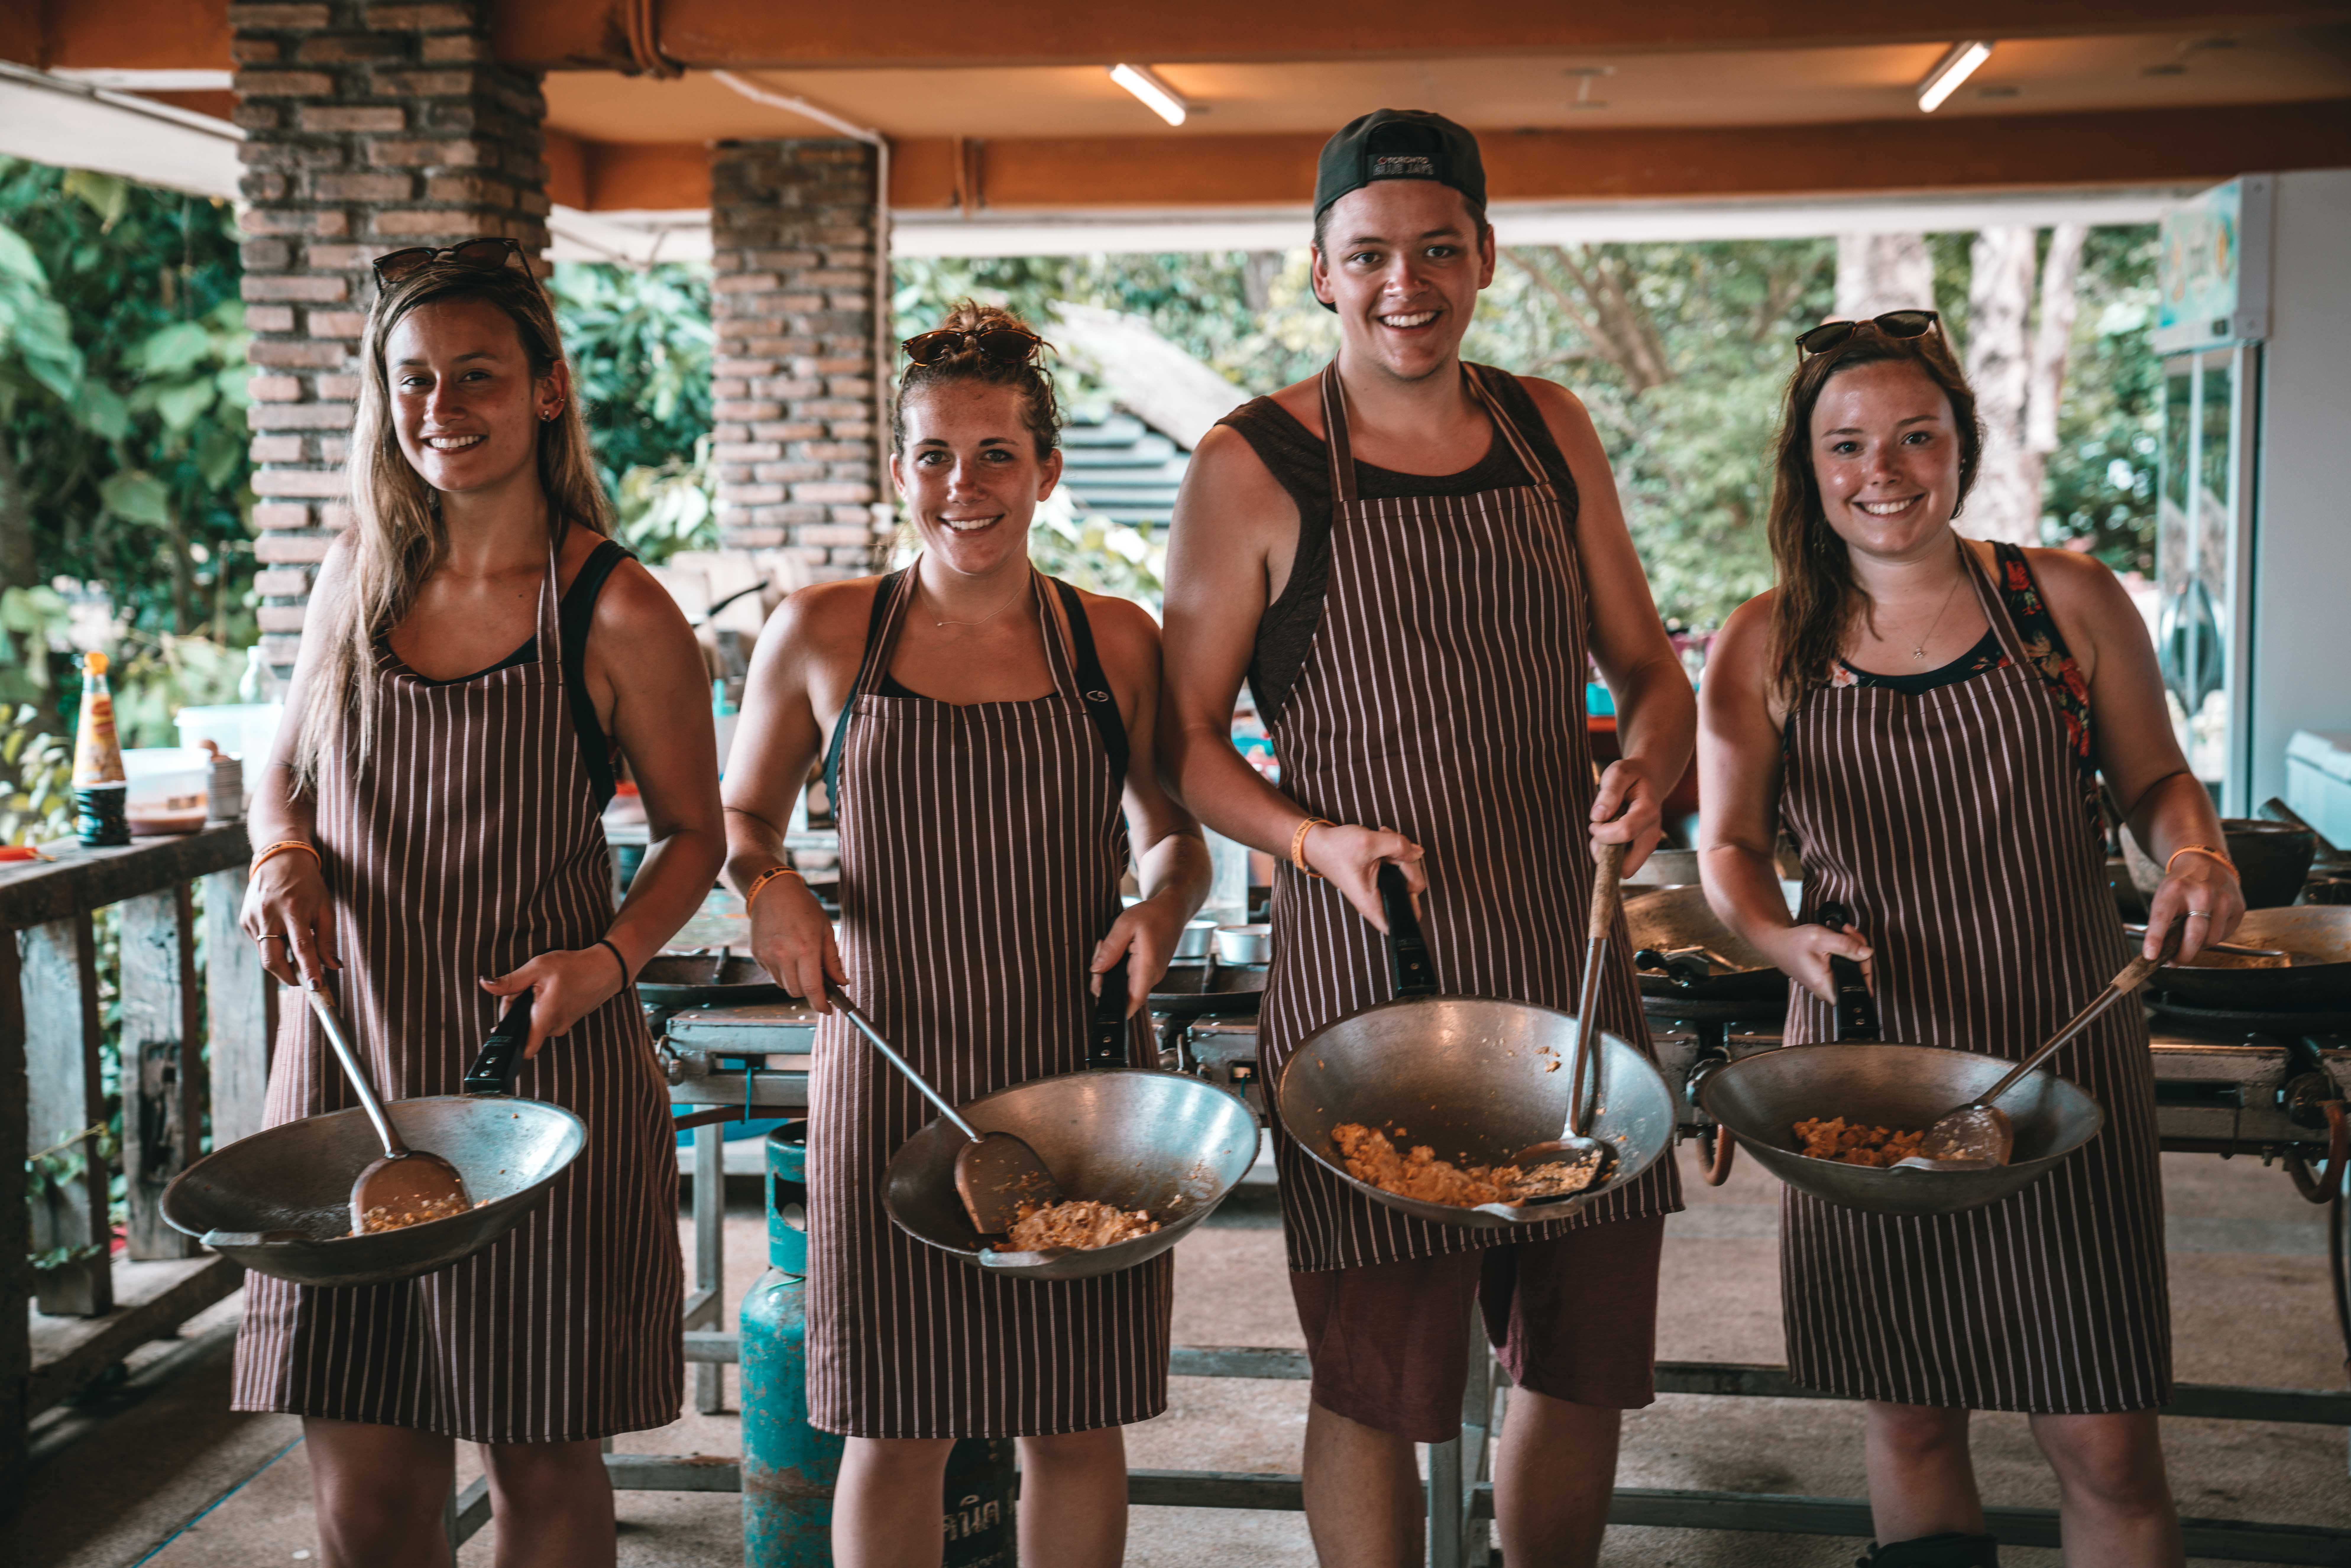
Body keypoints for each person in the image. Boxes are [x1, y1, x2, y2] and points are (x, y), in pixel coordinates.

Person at [1159, 110, 1696, 1567]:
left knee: (1579, 1362)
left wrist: (1649, 763)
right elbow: (1186, 743)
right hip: (1367, 982)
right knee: (1376, 1384)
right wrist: (1307, 836)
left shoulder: (1547, 426)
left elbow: (1649, 667)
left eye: (1438, 250)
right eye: (1371, 255)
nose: (1408, 283)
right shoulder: (1250, 462)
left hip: (1566, 961)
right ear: (1318, 272)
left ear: (1485, 259)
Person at [1696, 311, 2242, 1568]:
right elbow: (1726, 849)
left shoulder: (2062, 602)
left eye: (1912, 438)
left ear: (1961, 447)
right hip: (1862, 1070)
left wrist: (2196, 851)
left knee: (2100, 1430)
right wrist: (1778, 941)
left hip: (2057, 1055)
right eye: (1846, 446)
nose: (1880, 472)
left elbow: (2155, 779)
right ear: (1807, 465)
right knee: (1910, 1411)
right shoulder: (1762, 640)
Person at [233, 238, 725, 1567]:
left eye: (476, 377)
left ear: (548, 391)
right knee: (363, 1473)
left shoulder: (615, 609)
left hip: (537, 1084)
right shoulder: (359, 574)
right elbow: (278, 767)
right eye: (411, 381)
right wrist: (282, 848)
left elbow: (695, 836)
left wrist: (610, 961)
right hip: (351, 1074)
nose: (440, 409)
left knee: (540, 1458)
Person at [723, 302, 1211, 1568]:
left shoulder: (1111, 641)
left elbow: (1174, 836)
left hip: (1083, 1081)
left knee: (1073, 1420)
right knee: (896, 1425)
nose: (964, 484)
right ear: (901, 471)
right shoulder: (825, 633)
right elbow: (736, 818)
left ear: (1046, 469)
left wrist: (1157, 905)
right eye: (935, 453)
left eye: (996, 452)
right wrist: (768, 880)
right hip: (885, 1073)